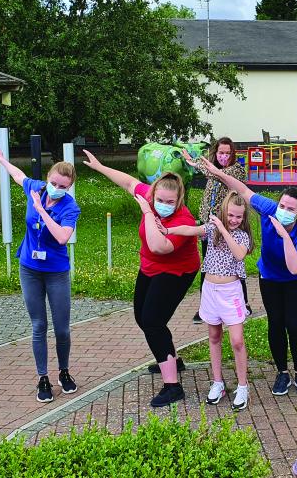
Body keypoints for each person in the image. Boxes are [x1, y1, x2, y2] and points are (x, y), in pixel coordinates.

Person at [82, 150, 200, 408]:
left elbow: (160, 247)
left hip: (177, 271)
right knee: (142, 318)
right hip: (150, 267)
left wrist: (148, 213)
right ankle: (172, 359)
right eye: (159, 199)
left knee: (153, 321)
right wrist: (100, 166)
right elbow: (127, 182)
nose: (164, 204)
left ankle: (173, 387)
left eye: (170, 201)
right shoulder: (149, 195)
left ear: (179, 200)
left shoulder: (183, 219)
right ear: (153, 193)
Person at [200, 156, 297, 397]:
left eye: (290, 209)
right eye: (282, 206)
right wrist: (216, 171)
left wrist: (284, 235)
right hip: (270, 278)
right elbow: (241, 189)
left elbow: (296, 268)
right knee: (276, 323)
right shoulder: (269, 209)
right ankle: (281, 373)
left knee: (294, 325)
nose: (283, 211)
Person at [0, 147, 81, 404]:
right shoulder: (36, 189)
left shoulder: (70, 207)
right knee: (39, 325)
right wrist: (3, 161)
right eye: (53, 182)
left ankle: (64, 372)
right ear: (48, 178)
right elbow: (19, 176)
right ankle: (43, 378)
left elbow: (63, 237)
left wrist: (42, 211)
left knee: (62, 329)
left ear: (69, 186)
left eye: (62, 186)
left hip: (56, 272)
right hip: (29, 268)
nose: (55, 188)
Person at [163, 192, 254, 411]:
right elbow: (191, 230)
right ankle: (218, 383)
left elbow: (240, 255)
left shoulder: (241, 235)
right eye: (230, 215)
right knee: (214, 336)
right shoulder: (212, 230)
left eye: (238, 217)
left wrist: (223, 228)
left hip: (230, 292)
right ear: (224, 211)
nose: (234, 220)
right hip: (210, 290)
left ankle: (243, 386)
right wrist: (168, 230)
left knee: (237, 340)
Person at [181, 138, 247, 324]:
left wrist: (197, 163)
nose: (224, 156)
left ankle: (244, 302)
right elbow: (211, 177)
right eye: (220, 153)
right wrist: (194, 163)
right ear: (215, 153)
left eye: (227, 153)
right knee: (208, 263)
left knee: (233, 264)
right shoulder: (212, 171)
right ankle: (205, 306)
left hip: (228, 224)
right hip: (209, 224)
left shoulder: (236, 170)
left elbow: (218, 174)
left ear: (232, 154)